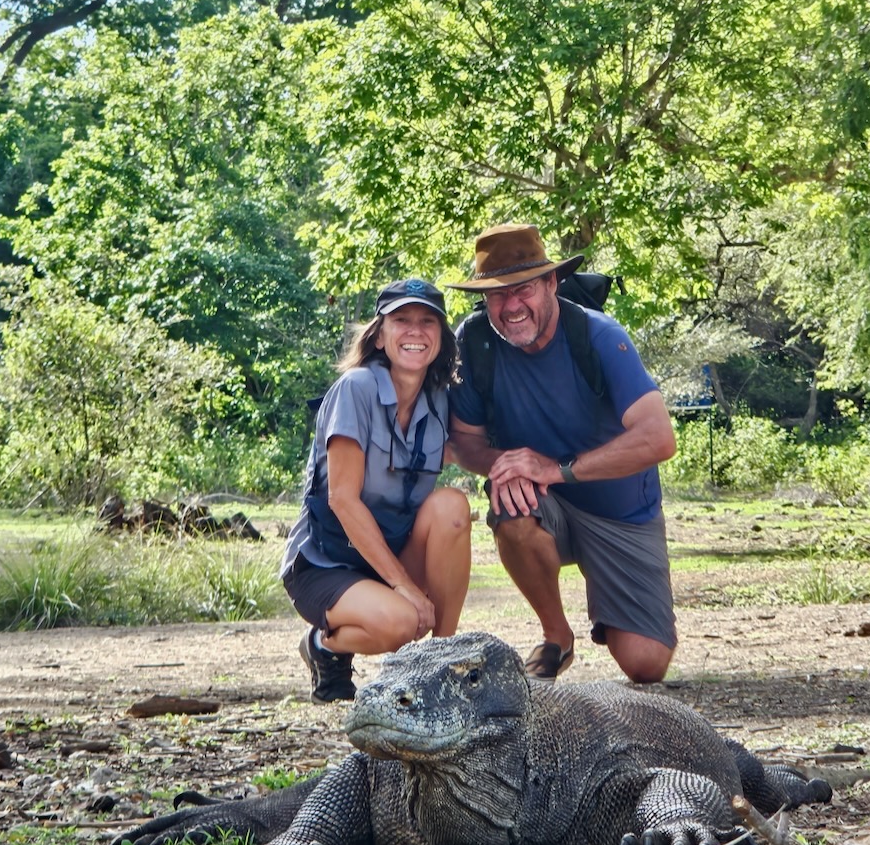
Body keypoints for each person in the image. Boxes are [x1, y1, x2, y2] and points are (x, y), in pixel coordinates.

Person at [448, 224, 677, 684]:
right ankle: (557, 636)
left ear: (551, 283)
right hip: (541, 504)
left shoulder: (598, 336)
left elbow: (658, 438)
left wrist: (554, 469)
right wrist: (502, 465)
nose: (511, 306)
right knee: (509, 503)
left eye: (524, 289)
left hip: (621, 511)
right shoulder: (474, 343)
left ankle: (612, 606)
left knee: (645, 664)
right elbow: (462, 441)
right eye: (496, 295)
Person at [281, 279, 471, 704]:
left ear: (441, 337)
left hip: (390, 552)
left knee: (453, 506)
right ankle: (323, 646)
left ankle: (439, 666)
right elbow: (342, 500)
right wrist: (404, 586)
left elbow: (476, 450)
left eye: (428, 321)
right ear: (380, 335)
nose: (415, 331)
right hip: (326, 562)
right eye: (401, 320)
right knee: (401, 624)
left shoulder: (440, 398)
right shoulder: (357, 389)